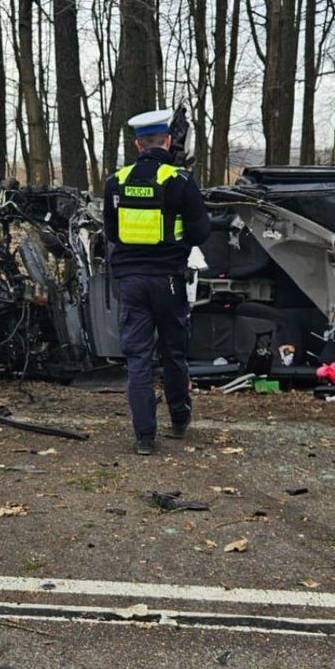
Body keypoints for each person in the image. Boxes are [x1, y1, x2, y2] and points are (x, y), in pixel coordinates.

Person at [102, 109, 211, 455]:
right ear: (167, 141)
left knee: (138, 358)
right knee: (174, 352)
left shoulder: (116, 181)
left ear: (137, 144)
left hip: (131, 282)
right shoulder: (179, 180)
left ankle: (144, 438)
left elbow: (111, 232)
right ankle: (179, 419)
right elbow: (201, 232)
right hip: (169, 281)